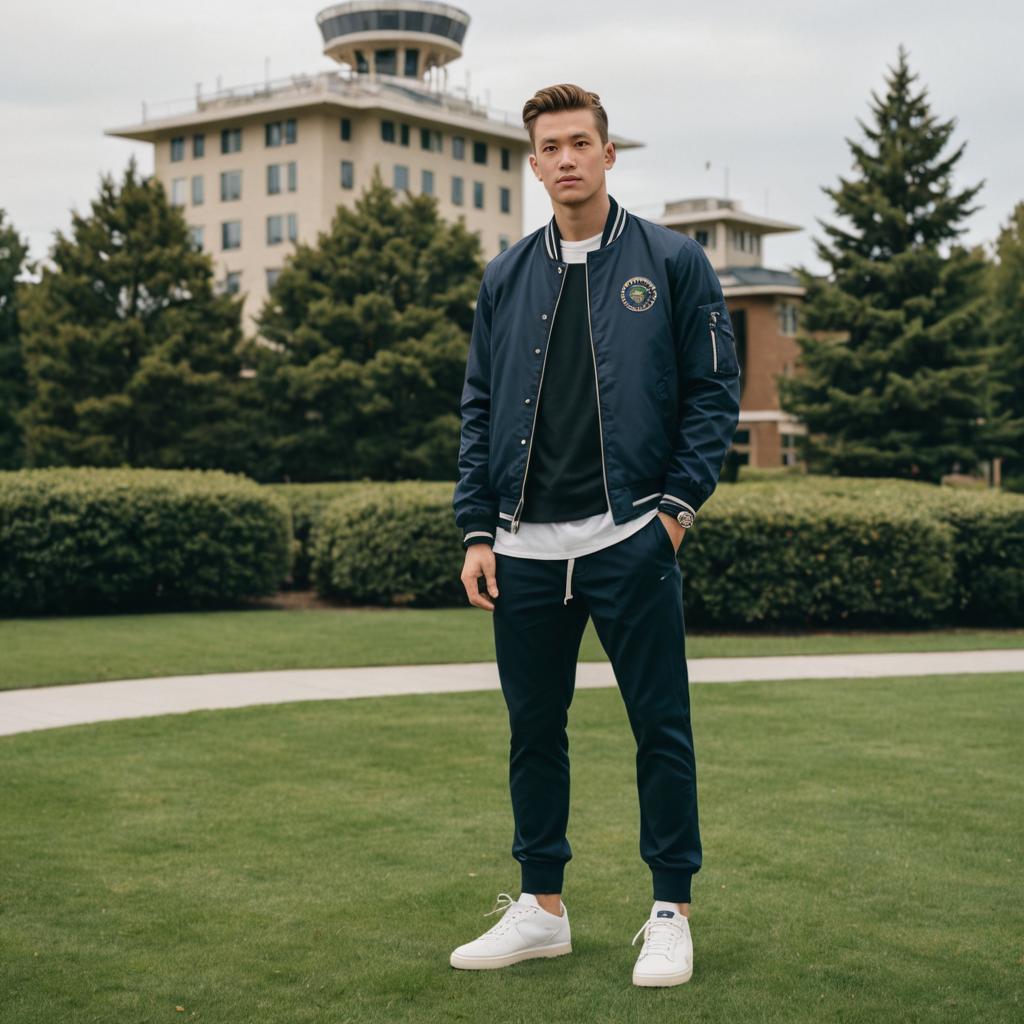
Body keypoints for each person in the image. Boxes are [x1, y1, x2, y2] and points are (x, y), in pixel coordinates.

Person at [450, 83, 741, 987]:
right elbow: (479, 408)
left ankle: (670, 911)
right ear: (533, 163)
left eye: (581, 142)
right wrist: (475, 528)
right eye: (550, 146)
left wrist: (675, 514)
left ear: (609, 154)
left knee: (661, 726)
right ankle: (541, 909)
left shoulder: (676, 261)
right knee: (534, 729)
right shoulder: (504, 277)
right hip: (524, 547)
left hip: (630, 538)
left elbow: (712, 396)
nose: (566, 158)